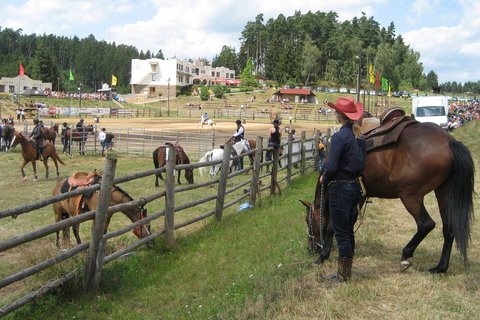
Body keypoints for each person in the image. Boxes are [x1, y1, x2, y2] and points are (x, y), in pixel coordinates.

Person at [319, 97, 366, 283]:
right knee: (348, 229)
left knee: (342, 232)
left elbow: (331, 166)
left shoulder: (339, 137)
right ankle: (346, 270)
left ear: (340, 116)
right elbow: (362, 165)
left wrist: (325, 177)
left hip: (340, 189)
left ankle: (343, 275)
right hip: (355, 187)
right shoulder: (359, 138)